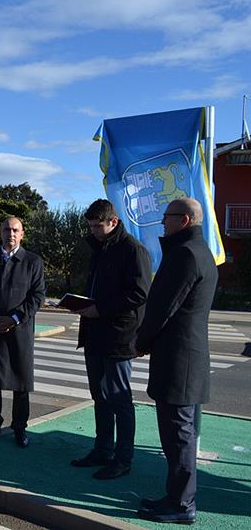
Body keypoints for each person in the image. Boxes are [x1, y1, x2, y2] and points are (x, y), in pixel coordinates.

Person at [133, 198, 218, 525]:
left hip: (179, 362)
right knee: (179, 435)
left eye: (166, 218)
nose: (162, 224)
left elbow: (162, 307)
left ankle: (182, 505)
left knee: (179, 437)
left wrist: (141, 342)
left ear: (183, 220)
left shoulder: (183, 255)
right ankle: (175, 498)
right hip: (187, 360)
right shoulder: (201, 251)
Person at [71, 199, 151, 480]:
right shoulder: (100, 248)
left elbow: (139, 294)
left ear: (113, 222)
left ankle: (123, 458)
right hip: (94, 333)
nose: (93, 231)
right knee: (99, 396)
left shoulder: (133, 250)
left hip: (118, 336)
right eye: (90, 226)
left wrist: (100, 309)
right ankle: (102, 449)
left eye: (97, 226)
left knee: (119, 399)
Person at [0, 217, 45, 448]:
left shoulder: (33, 261)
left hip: (19, 331)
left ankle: (19, 428)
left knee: (20, 383)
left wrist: (15, 318)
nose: (10, 234)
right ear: (0, 232)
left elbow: (37, 296)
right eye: (6, 229)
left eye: (15, 230)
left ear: (22, 234)